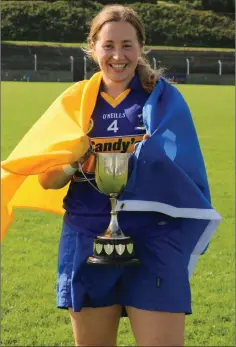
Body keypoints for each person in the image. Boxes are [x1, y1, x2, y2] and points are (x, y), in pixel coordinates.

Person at [1, 4, 221, 347]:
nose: (118, 55)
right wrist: (74, 161)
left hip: (153, 240)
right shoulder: (75, 103)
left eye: (127, 45)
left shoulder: (162, 99)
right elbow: (48, 180)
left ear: (141, 48)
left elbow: (184, 168)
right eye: (108, 45)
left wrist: (142, 159)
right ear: (93, 49)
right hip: (88, 236)